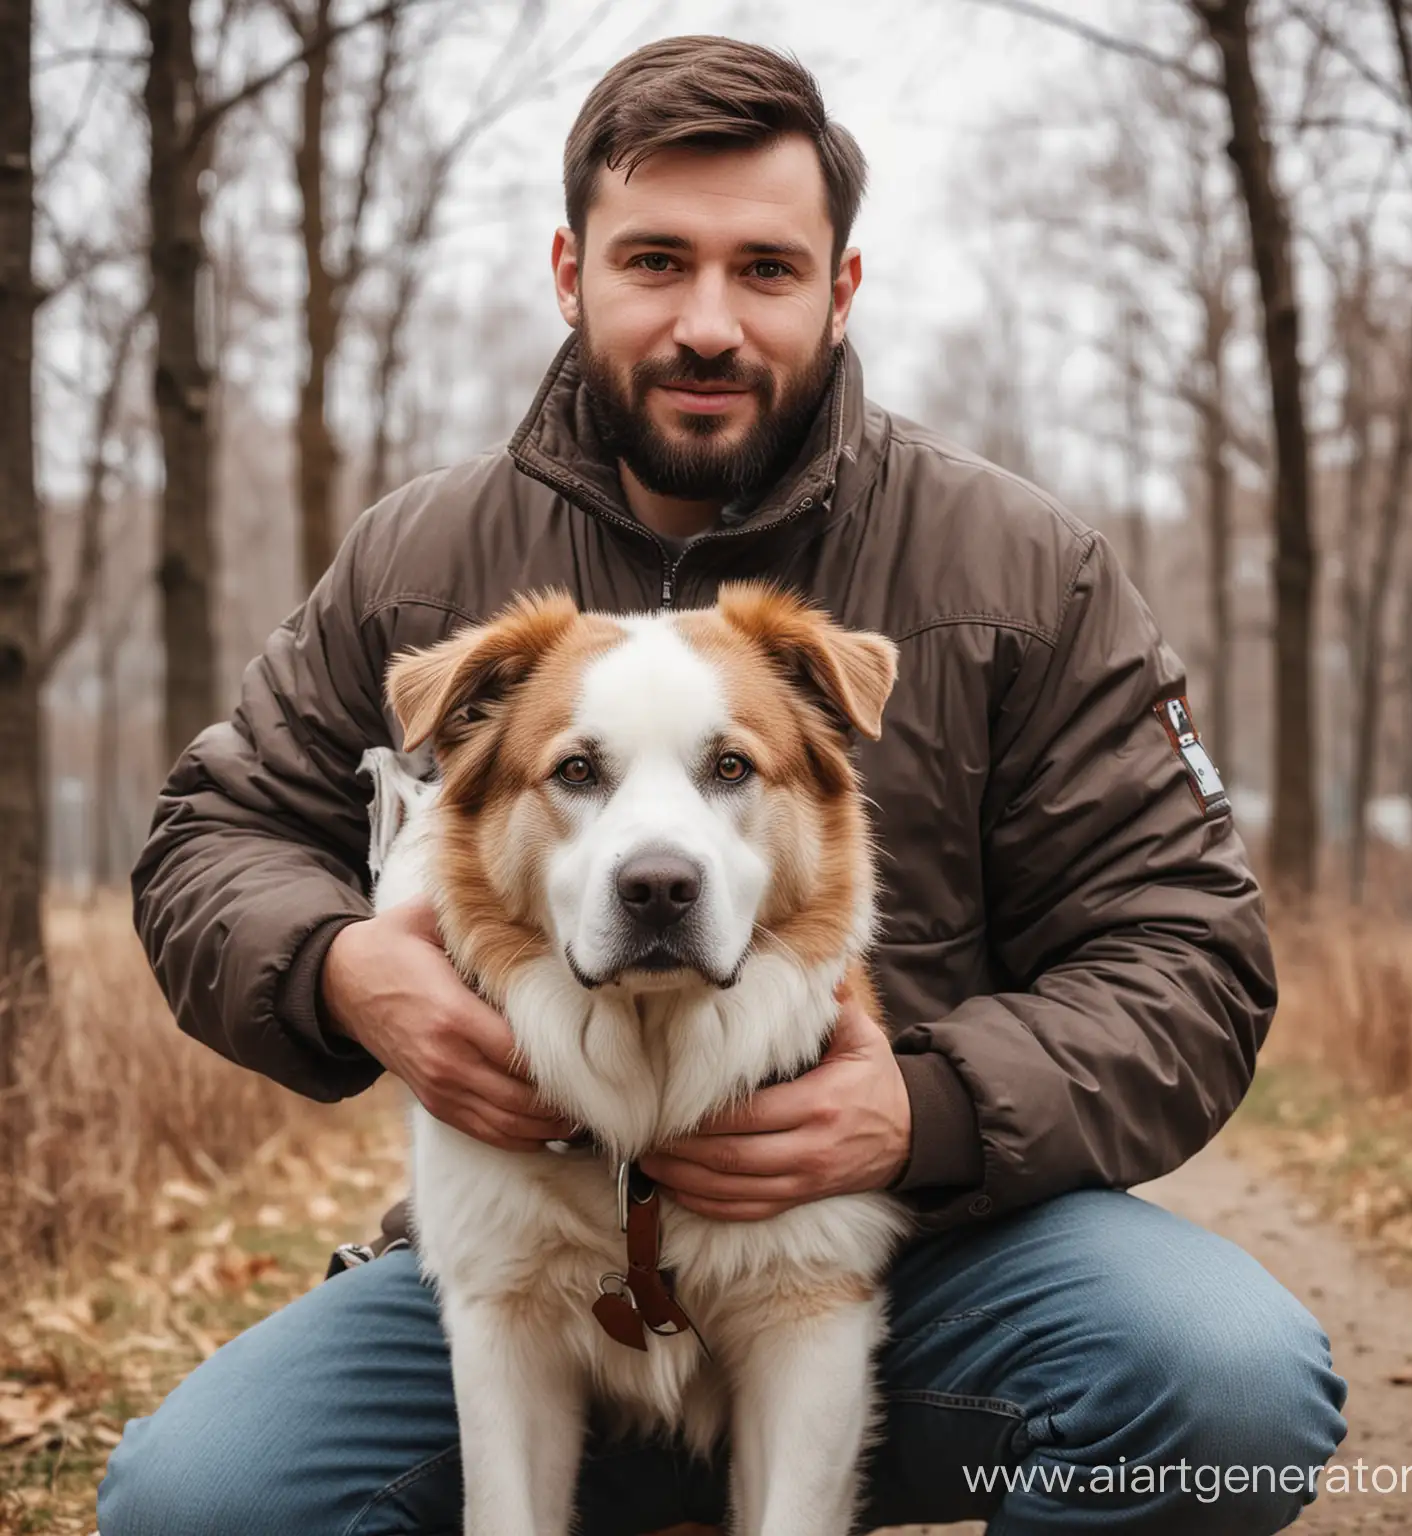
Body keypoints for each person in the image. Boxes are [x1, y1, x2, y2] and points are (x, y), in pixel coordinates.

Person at [99, 35, 1346, 1536]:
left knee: (1224, 1390)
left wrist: (926, 1111)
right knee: (196, 1504)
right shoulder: (419, 569)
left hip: (910, 1252)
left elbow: (1189, 954)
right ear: (571, 272)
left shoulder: (1021, 571)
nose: (709, 321)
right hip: (533, 1255)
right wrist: (339, 966)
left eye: (765, 268)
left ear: (840, 286)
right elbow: (209, 840)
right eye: (655, 262)